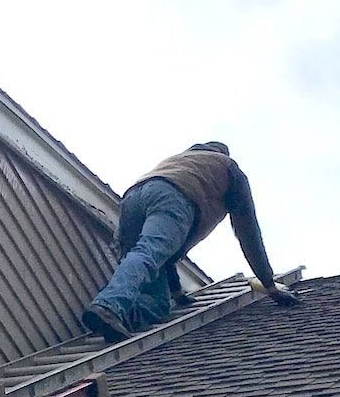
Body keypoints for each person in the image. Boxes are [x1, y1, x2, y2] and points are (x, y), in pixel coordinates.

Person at [82, 141, 297, 341]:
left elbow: (166, 257)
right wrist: (269, 284)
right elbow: (248, 230)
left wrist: (176, 291)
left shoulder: (179, 163)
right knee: (148, 252)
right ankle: (108, 306)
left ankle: (114, 321)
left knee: (158, 302)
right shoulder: (228, 168)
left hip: (133, 198)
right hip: (172, 196)